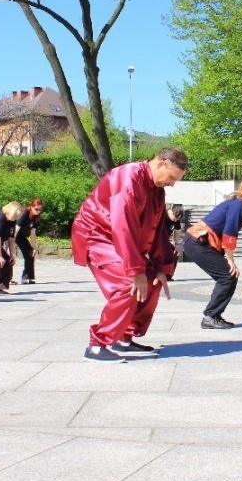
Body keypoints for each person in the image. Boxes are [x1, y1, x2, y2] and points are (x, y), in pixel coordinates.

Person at [72, 147, 188, 363]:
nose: (172, 184)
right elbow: (122, 224)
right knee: (128, 283)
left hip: (119, 239)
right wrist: (135, 270)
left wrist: (162, 267)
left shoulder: (156, 189)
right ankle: (98, 345)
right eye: (172, 177)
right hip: (98, 235)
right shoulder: (128, 177)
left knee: (153, 280)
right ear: (162, 163)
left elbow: (158, 229)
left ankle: (123, 337)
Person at [184, 174, 242, 329]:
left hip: (198, 241)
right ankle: (210, 316)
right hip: (198, 242)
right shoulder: (240, 204)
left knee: (227, 276)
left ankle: (213, 314)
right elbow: (229, 232)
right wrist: (230, 260)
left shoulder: (237, 202)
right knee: (228, 275)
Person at [16, 198, 43, 284]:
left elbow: (33, 233)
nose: (38, 211)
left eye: (40, 210)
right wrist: (10, 245)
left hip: (21, 236)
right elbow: (16, 230)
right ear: (31, 207)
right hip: (13, 235)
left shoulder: (35, 217)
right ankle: (7, 278)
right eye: (36, 209)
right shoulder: (25, 214)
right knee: (9, 256)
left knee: (31, 253)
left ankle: (29, 277)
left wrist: (34, 247)